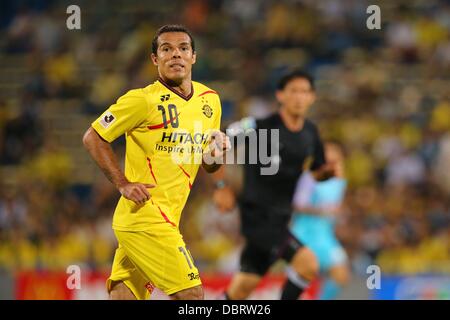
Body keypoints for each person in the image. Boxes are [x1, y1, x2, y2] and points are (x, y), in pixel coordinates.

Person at [83, 24, 230, 300]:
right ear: (155, 59)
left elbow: (207, 163)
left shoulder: (210, 101)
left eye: (183, 48)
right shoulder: (141, 101)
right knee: (192, 295)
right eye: (166, 49)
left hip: (160, 219)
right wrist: (122, 183)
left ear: (193, 57)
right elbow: (93, 137)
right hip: (147, 218)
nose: (176, 55)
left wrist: (215, 152)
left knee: (123, 295)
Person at [213, 70, 336, 300]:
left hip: (281, 218)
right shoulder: (259, 126)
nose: (299, 97)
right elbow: (218, 142)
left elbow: (317, 171)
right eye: (294, 91)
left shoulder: (311, 133)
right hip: (258, 216)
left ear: (312, 97)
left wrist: (326, 173)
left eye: (305, 92)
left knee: (242, 288)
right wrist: (221, 186)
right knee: (308, 264)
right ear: (281, 95)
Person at [289, 141, 350, 300]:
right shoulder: (310, 177)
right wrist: (321, 210)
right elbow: (298, 204)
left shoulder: (340, 182)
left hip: (325, 236)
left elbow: (335, 209)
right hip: (305, 234)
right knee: (303, 280)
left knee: (340, 274)